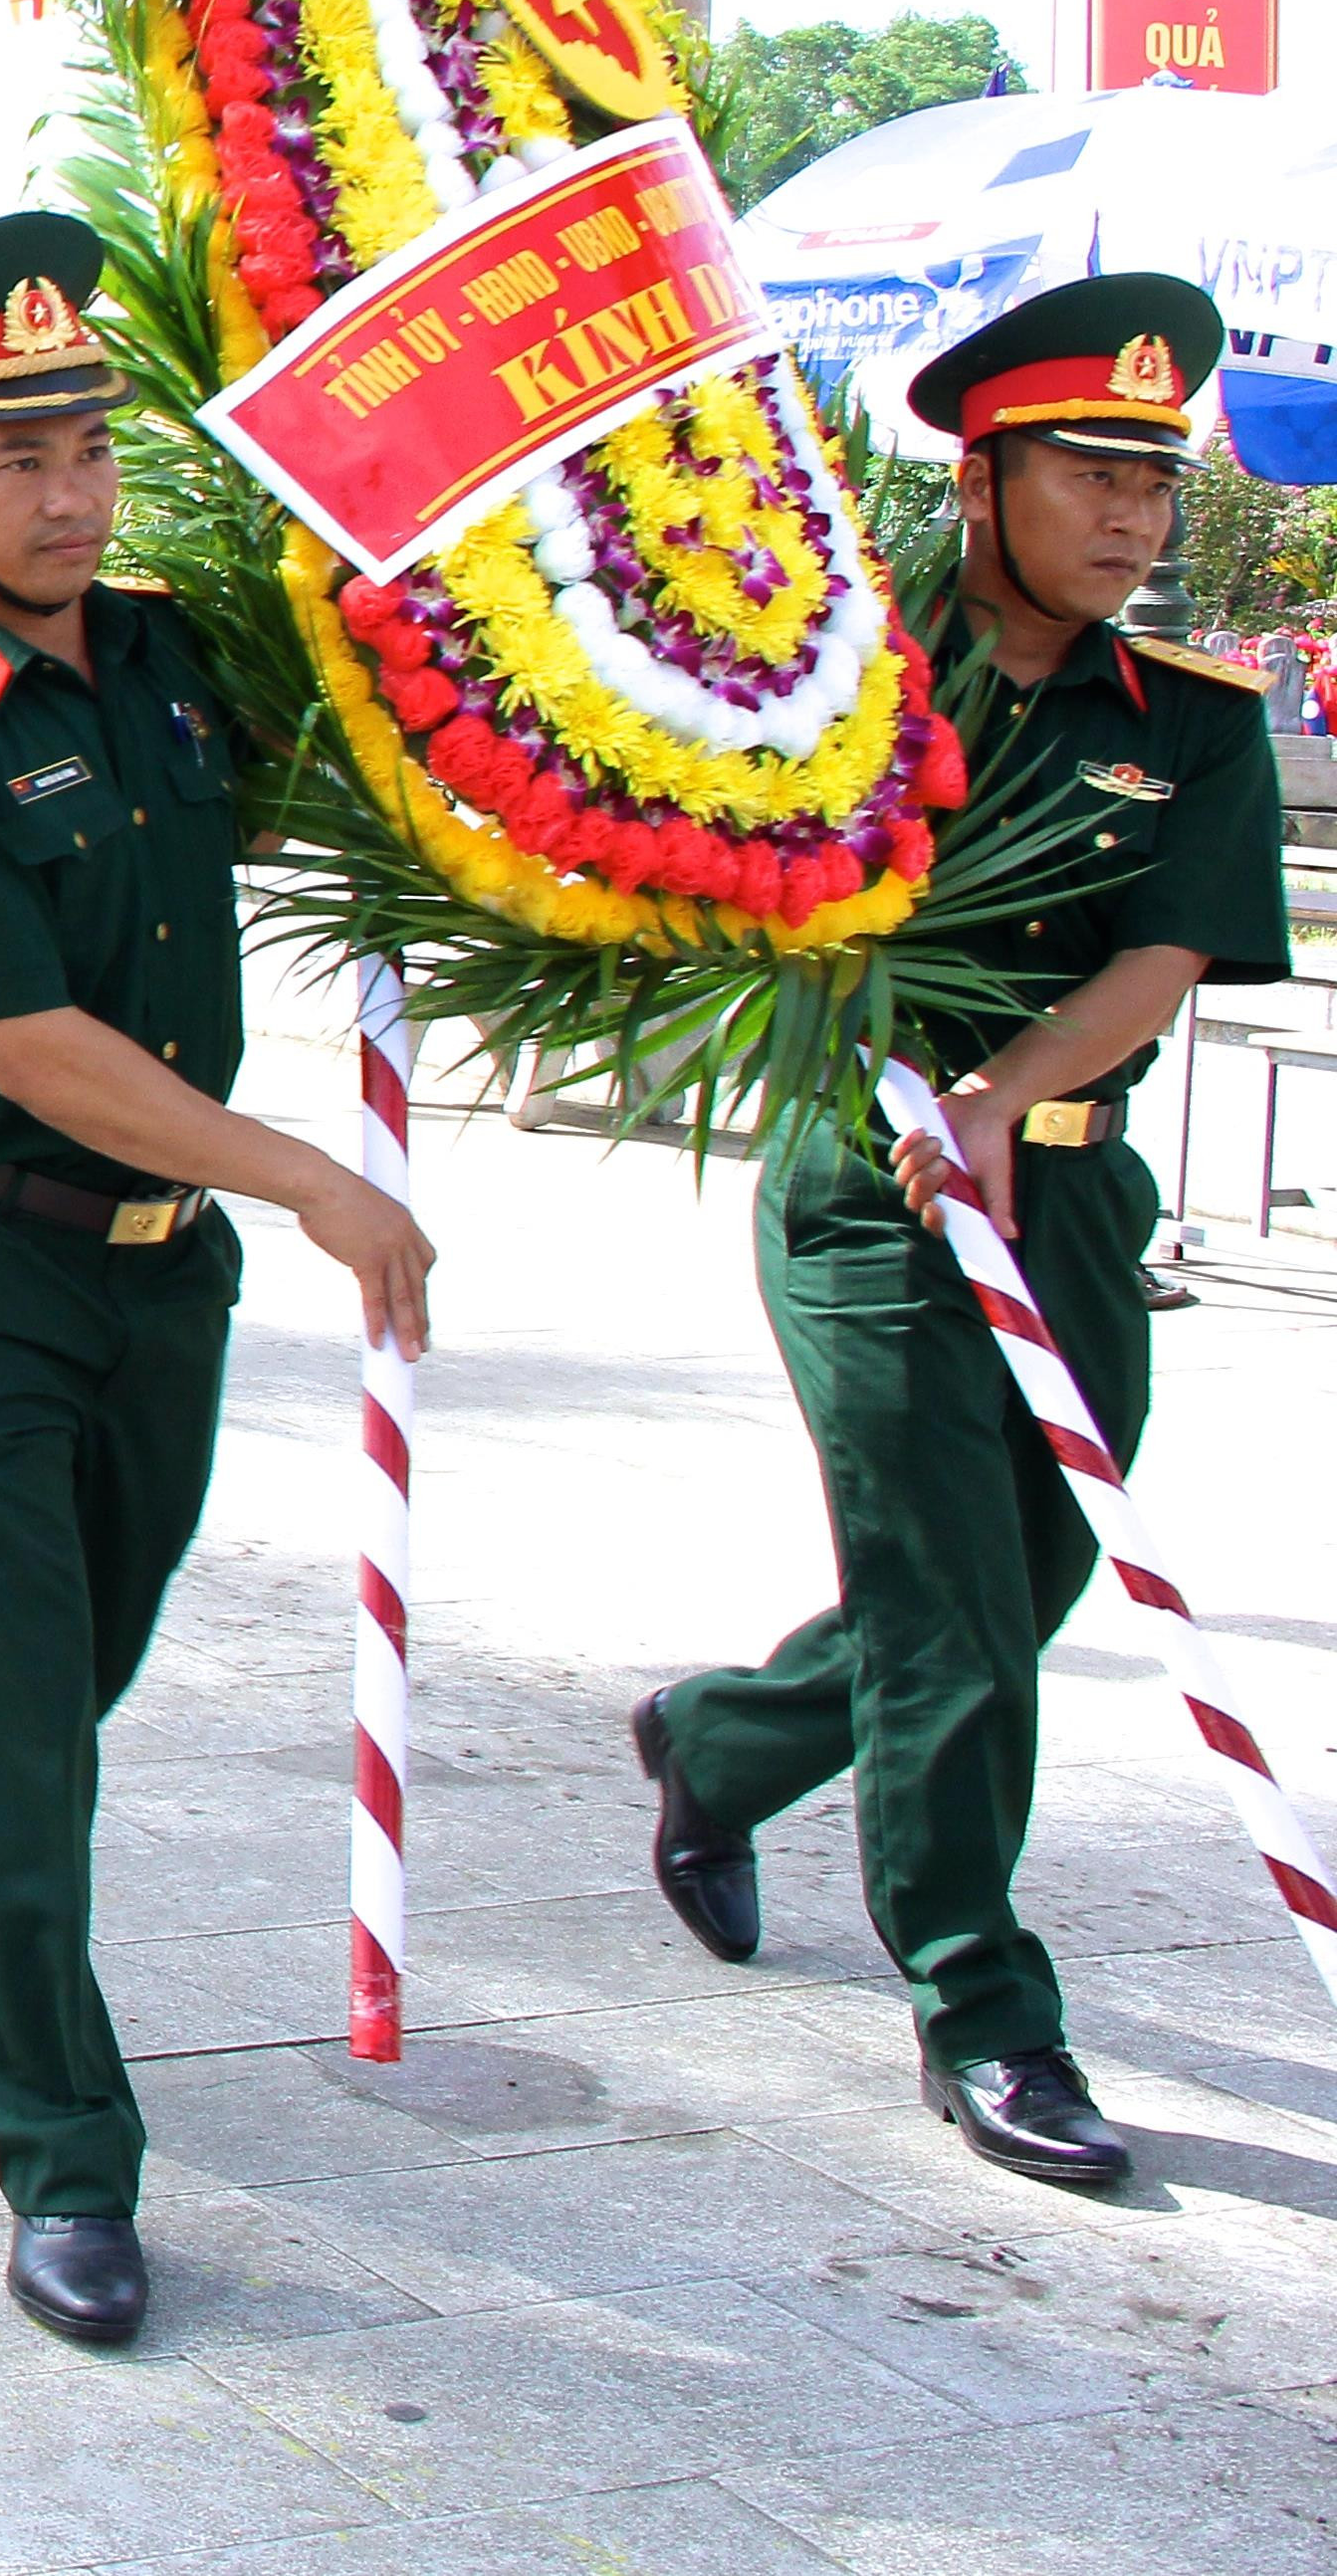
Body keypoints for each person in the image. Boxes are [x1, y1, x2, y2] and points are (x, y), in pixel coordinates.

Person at [0, 215, 433, 2350]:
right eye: (14, 456)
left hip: (158, 1286)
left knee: (71, 1667)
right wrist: (315, 1179)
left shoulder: (158, 654)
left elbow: (372, 686)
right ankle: (65, 2152)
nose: (64, 494)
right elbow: (34, 1050)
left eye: (85, 451)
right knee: (39, 1754)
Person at [633, 277, 1289, 2195]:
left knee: (1034, 1573)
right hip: (868, 1188)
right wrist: (935, 1103)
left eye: (1154, 488)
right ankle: (984, 2002)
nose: (1131, 522)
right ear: (979, 476)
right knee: (950, 1611)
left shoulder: (1187, 720)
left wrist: (1014, 1096)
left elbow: (1167, 949)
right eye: (1089, 475)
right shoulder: (845, 680)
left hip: (1072, 1195)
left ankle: (732, 1739)